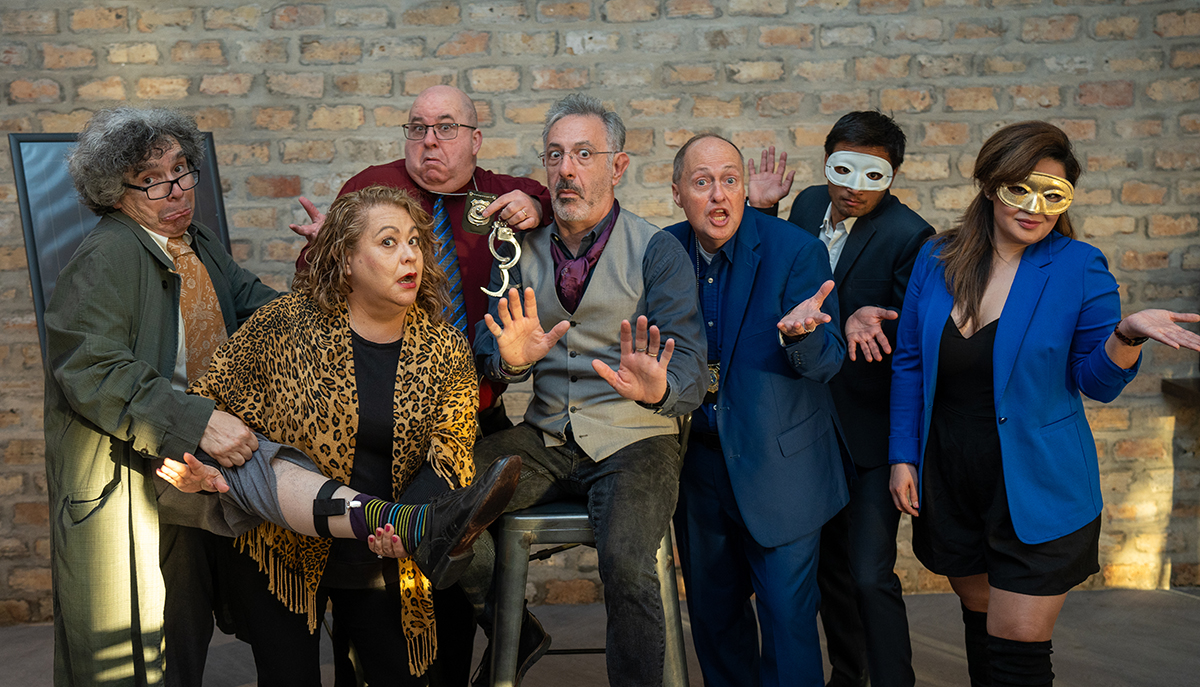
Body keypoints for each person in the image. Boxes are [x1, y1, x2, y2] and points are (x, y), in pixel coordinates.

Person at [887, 121, 1200, 687]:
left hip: (1039, 483)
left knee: (1017, 648)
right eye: (1020, 189)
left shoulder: (1080, 267)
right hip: (952, 478)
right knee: (983, 631)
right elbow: (910, 364)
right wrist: (902, 457)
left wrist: (1126, 336)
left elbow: (1097, 383)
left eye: (1052, 195)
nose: (1035, 208)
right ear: (989, 186)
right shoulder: (937, 258)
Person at [182, 185, 521, 685]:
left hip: (383, 545)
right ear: (344, 261)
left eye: (413, 242)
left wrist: (411, 527)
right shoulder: (283, 327)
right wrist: (203, 461)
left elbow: (449, 455)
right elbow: (207, 406)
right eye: (388, 243)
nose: (409, 255)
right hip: (283, 546)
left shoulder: (444, 349)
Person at [463, 94, 707, 687]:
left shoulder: (658, 250)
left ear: (617, 167)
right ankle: (514, 628)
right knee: (438, 501)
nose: (566, 169)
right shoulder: (521, 250)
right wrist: (506, 359)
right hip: (547, 434)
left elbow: (693, 368)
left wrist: (658, 390)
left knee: (627, 566)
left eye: (582, 154)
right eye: (554, 156)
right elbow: (489, 341)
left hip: (636, 440)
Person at [43, 106, 280, 687]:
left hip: (193, 468)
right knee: (145, 652)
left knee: (193, 634)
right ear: (114, 191)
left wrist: (333, 262)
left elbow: (265, 312)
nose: (176, 192)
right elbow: (91, 368)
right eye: (151, 180)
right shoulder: (107, 255)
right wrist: (198, 422)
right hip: (136, 477)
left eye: (181, 171)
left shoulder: (194, 242)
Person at [748, 111, 935, 687]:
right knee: (828, 569)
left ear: (892, 175)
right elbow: (777, 275)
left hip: (867, 431)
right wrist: (762, 212)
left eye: (872, 174)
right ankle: (847, 676)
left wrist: (853, 316)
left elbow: (908, 340)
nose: (854, 186)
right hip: (805, 423)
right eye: (843, 169)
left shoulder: (911, 236)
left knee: (869, 573)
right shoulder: (805, 206)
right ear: (826, 161)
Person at [664, 133, 852, 687]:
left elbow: (827, 363)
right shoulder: (662, 252)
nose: (718, 196)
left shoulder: (795, 251)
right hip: (698, 469)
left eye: (730, 180)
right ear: (678, 193)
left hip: (782, 467)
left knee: (788, 623)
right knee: (715, 623)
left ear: (745, 189)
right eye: (702, 183)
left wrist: (802, 337)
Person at [289, 84, 553, 436]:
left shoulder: (496, 195)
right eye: (417, 128)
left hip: (477, 406)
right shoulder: (371, 188)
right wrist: (325, 251)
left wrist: (537, 205)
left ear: (475, 141)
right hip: (384, 408)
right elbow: (313, 290)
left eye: (445, 128)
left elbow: (561, 206)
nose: (429, 140)